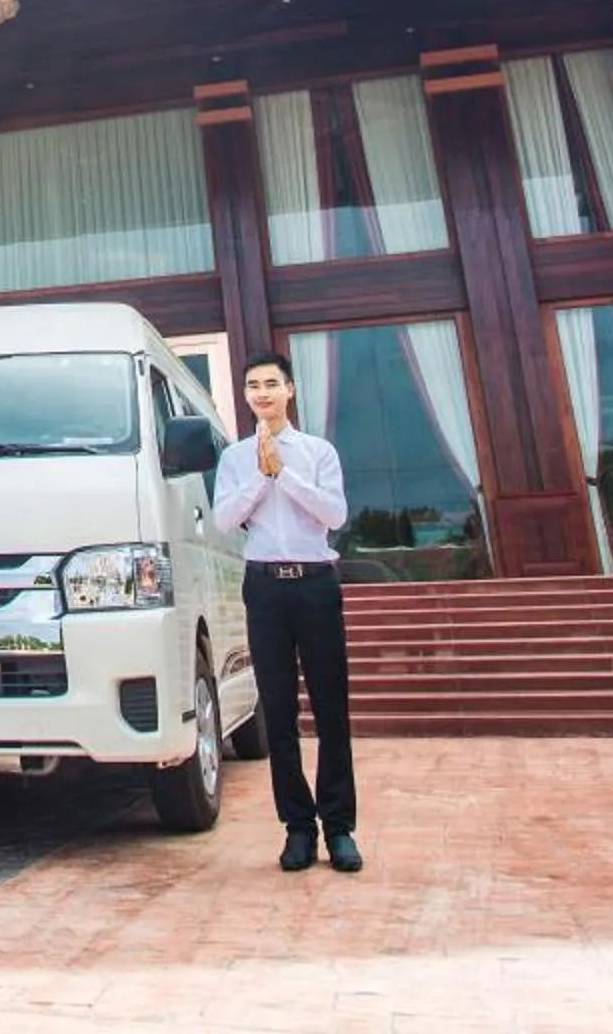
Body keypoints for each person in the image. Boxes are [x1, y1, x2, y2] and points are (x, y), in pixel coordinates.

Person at [213, 353, 361, 873]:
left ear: (290, 390)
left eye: (271, 383)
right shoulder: (234, 457)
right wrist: (259, 475)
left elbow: (335, 514)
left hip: (316, 587)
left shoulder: (319, 451)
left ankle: (339, 829)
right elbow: (225, 520)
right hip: (266, 590)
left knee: (330, 708)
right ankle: (297, 828)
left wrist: (286, 475)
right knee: (277, 711)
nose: (262, 392)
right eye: (253, 385)